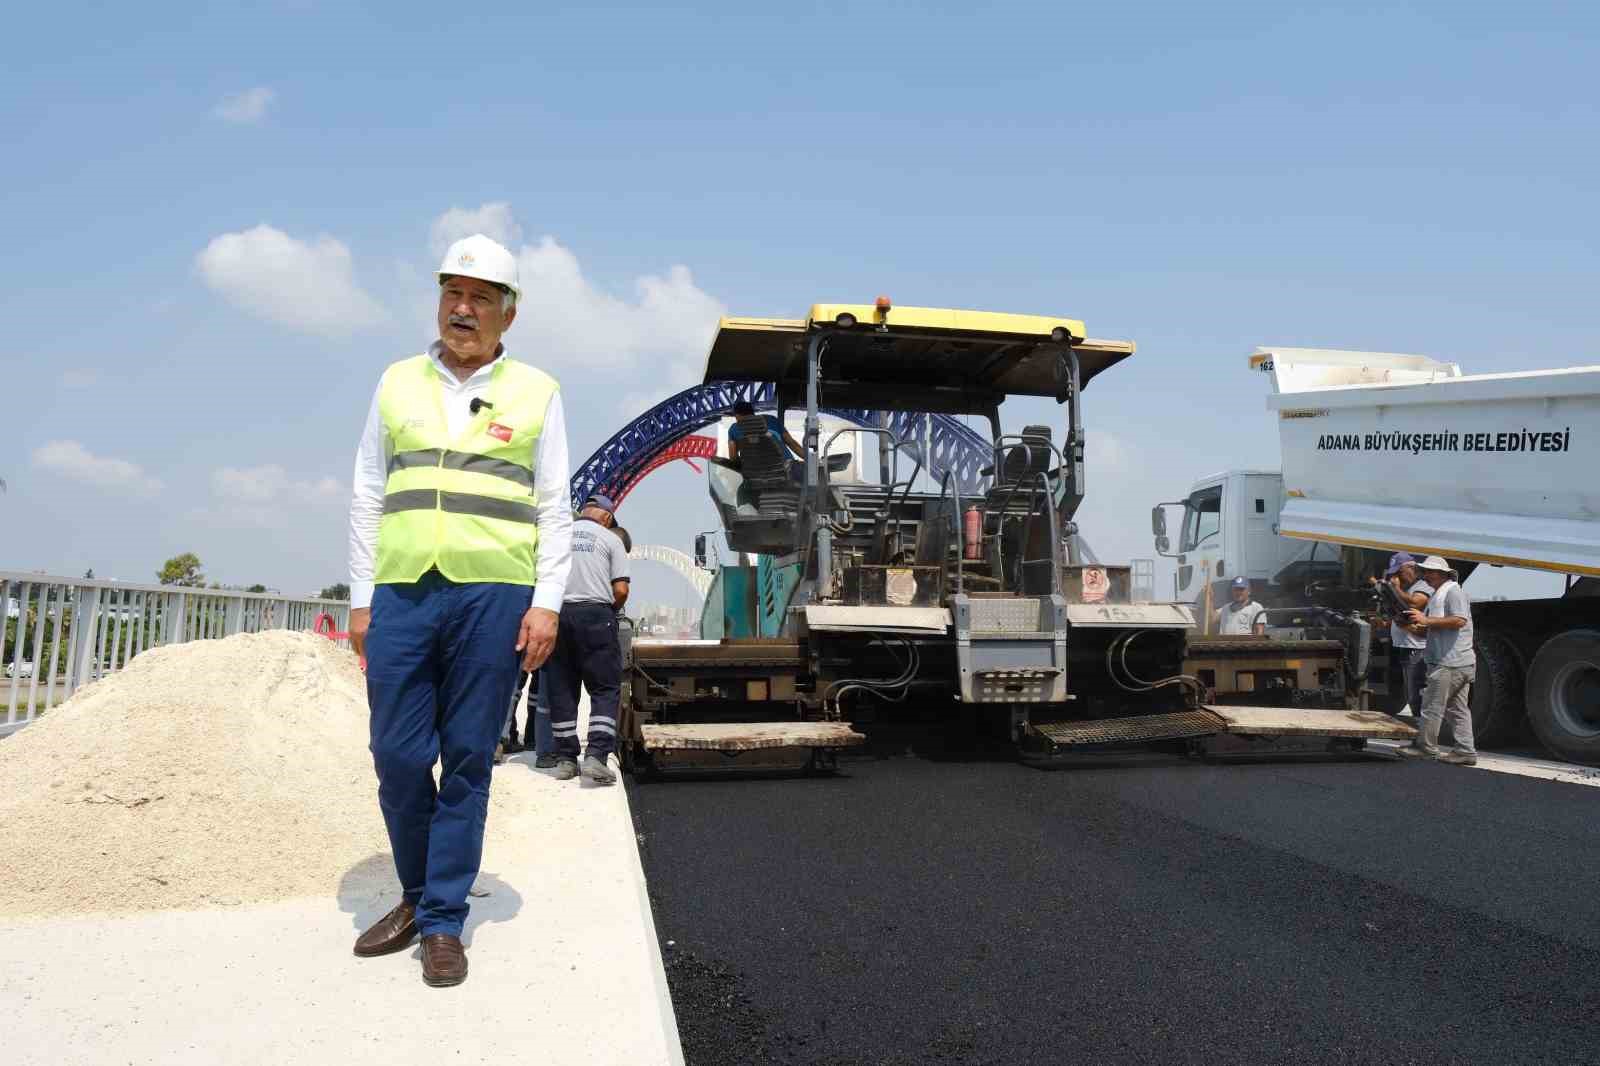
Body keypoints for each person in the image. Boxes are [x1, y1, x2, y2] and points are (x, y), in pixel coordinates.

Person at [346, 233, 572, 988]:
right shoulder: (396, 382)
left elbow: (555, 508)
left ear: (509, 314)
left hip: (493, 597)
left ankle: (440, 919)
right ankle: (417, 893)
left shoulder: (538, 390)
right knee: (398, 754)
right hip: (405, 591)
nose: (462, 309)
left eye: (479, 298)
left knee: (469, 758)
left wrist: (545, 606)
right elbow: (368, 493)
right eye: (452, 293)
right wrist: (360, 599)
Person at [545, 494, 631, 785]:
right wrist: (609, 612)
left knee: (562, 689)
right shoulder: (611, 540)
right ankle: (595, 755)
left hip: (559, 614)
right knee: (605, 687)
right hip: (596, 615)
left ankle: (566, 760)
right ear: (607, 517)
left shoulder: (558, 535)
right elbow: (620, 590)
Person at [1398, 556, 1477, 765]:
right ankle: (1465, 751)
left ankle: (1426, 748)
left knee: (1432, 706)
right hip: (1458, 662)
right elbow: (1435, 631)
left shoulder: (1453, 592)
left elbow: (1459, 620)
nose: (1426, 576)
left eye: (1430, 572)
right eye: (1424, 571)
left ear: (1443, 573)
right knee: (1457, 710)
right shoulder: (1440, 595)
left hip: (1449, 663)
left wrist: (1425, 619)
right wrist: (1411, 627)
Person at [1374, 552, 1430, 721]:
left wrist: (1395, 588)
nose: (1397, 576)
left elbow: (1416, 603)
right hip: (1406, 648)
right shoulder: (1407, 589)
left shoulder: (1422, 585)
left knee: (1416, 694)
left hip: (1416, 648)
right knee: (1411, 692)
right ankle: (1419, 730)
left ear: (1411, 568)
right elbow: (1403, 614)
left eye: (1400, 571)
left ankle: (1421, 732)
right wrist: (1385, 624)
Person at [727, 400, 803, 464]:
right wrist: (809, 460)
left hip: (758, 475)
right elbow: (791, 443)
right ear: (752, 412)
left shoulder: (734, 428)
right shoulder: (772, 420)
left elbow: (733, 457)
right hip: (787, 467)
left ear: (737, 416)